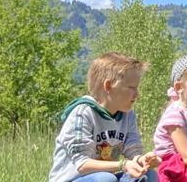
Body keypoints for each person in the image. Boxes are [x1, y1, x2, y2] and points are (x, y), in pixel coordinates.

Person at [49, 52, 161, 182]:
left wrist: (143, 160)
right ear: (108, 86)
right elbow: (82, 164)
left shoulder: (127, 115)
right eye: (131, 88)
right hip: (75, 179)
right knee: (106, 178)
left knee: (149, 175)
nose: (137, 94)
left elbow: (132, 151)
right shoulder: (83, 113)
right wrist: (122, 165)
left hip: (107, 177)